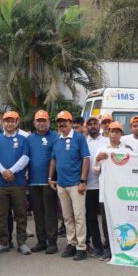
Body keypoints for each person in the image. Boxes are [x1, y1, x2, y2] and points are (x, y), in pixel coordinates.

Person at [48, 111, 90, 261]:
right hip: (61, 184)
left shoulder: (79, 138)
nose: (61, 124)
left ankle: (81, 247)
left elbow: (86, 159)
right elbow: (53, 160)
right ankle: (72, 243)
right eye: (59, 121)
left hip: (76, 184)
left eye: (64, 121)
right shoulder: (57, 139)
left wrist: (83, 181)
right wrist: (50, 178)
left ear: (71, 123)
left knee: (79, 216)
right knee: (67, 217)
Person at [0, 111, 31, 255]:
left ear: (17, 122)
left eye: (12, 121)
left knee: (20, 214)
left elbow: (25, 158)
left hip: (18, 183)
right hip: (1, 183)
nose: (9, 124)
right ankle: (3, 242)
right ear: (3, 122)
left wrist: (11, 171)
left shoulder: (23, 139)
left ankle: (22, 242)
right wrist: (4, 172)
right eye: (7, 121)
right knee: (1, 215)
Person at [93, 121, 133, 261]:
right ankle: (108, 248)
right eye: (112, 131)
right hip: (105, 193)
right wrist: (98, 160)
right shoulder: (102, 149)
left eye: (117, 132)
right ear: (108, 133)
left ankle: (123, 246)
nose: (114, 134)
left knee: (122, 220)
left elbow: (131, 171)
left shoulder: (128, 151)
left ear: (121, 134)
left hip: (121, 193)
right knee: (106, 221)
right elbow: (95, 171)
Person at [26, 110, 59, 254]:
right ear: (34, 123)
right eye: (38, 120)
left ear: (48, 122)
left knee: (50, 213)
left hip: (49, 182)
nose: (41, 123)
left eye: (44, 120)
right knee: (38, 213)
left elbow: (57, 158)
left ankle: (52, 242)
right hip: (34, 182)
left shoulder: (55, 137)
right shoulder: (29, 139)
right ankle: (41, 241)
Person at [84, 116, 109, 258]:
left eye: (95, 123)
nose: (93, 126)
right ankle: (97, 246)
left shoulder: (107, 141)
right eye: (90, 124)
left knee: (106, 218)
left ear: (99, 125)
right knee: (91, 218)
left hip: (105, 185)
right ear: (86, 127)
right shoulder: (83, 142)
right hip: (89, 186)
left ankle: (108, 246)